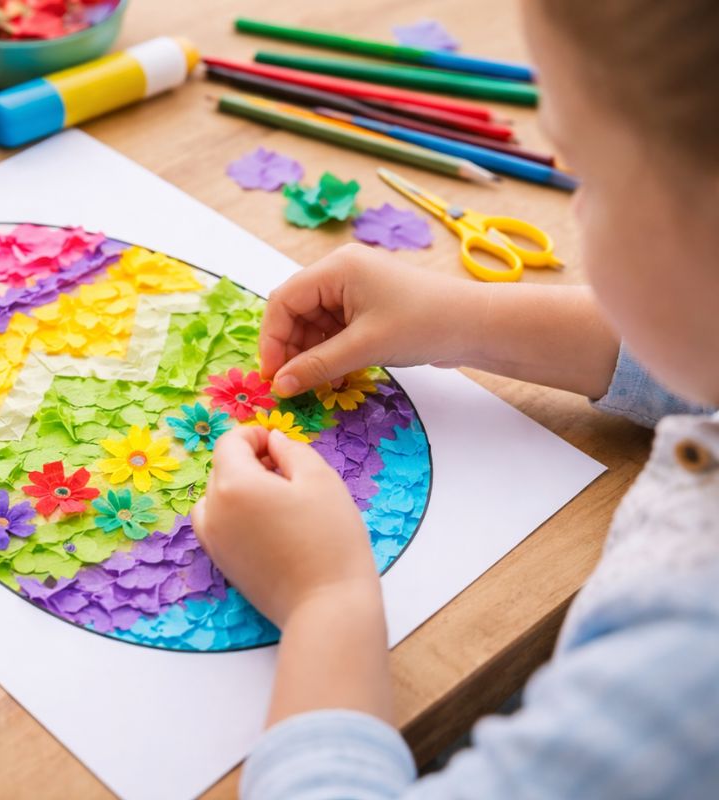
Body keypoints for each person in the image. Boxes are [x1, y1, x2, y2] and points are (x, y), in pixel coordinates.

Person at [190, 1, 719, 796]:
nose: (572, 206)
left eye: (587, 175)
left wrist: (328, 603)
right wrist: (467, 316)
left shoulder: (682, 672)